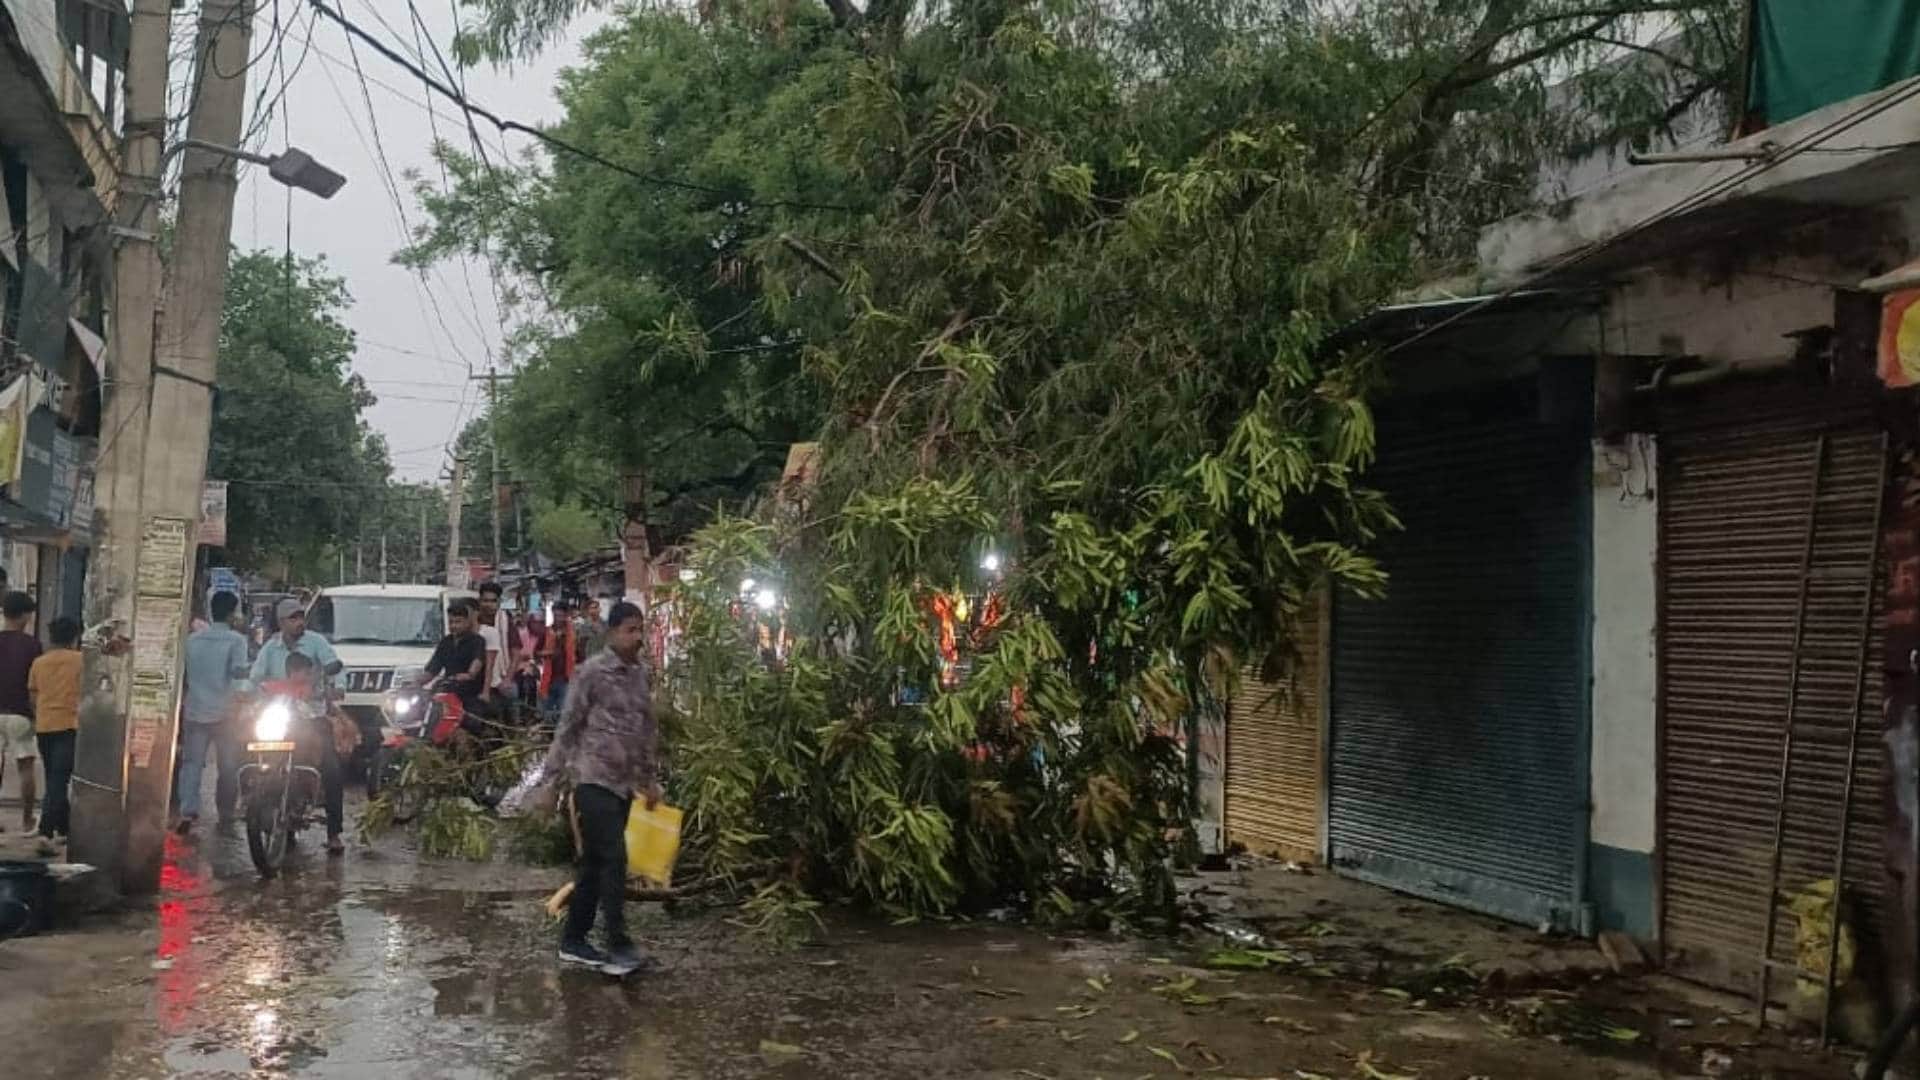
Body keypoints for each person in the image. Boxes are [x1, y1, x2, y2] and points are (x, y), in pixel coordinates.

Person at [542, 601, 659, 975]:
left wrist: (649, 779)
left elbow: (645, 730)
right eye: (630, 630)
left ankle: (574, 941)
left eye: (640, 630)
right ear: (612, 632)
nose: (636, 638)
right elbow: (569, 725)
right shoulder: (591, 673)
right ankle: (618, 945)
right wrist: (551, 780)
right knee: (613, 858)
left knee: (593, 864)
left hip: (623, 784)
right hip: (591, 778)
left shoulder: (640, 674)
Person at [251, 598, 347, 853]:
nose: (299, 622)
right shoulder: (270, 648)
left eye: (301, 617)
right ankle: (257, 805)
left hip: (312, 717)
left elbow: (336, 669)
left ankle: (335, 832)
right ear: (281, 622)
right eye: (293, 618)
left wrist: (336, 689)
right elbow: (255, 678)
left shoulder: (316, 642)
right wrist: (246, 696)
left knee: (331, 768)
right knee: (250, 752)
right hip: (279, 715)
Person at [177, 591, 251, 833]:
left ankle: (188, 811)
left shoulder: (192, 640)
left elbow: (184, 675)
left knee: (192, 763)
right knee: (228, 765)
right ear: (232, 613)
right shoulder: (236, 641)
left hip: (195, 709)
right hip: (225, 712)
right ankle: (226, 812)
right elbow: (240, 674)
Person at [28, 616, 81, 839]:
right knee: (59, 780)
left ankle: (64, 827)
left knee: (54, 778)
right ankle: (46, 831)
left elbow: (32, 693)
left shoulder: (39, 663)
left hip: (44, 726)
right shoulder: (81, 660)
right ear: (75, 637)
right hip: (68, 725)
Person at [0, 591, 40, 832]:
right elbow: (35, 682)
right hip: (20, 712)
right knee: (25, 767)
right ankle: (27, 822)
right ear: (25, 615)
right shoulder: (32, 645)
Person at [424, 599, 490, 726]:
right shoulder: (445, 642)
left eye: (458, 622)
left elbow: (477, 661)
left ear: (467, 622)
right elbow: (432, 669)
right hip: (447, 691)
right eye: (451, 622)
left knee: (472, 724)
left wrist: (469, 675)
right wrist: (415, 683)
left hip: (470, 693)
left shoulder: (477, 641)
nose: (454, 626)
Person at [475, 582, 514, 714]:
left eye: (493, 601)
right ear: (479, 601)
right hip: (475, 678)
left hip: (500, 678)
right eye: (485, 600)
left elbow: (517, 652)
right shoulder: (472, 622)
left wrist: (507, 679)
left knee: (511, 696)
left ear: (498, 602)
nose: (489, 604)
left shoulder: (505, 621)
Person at [540, 599, 579, 718]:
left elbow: (580, 654)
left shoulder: (574, 633)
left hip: (566, 679)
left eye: (561, 615)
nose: (558, 619)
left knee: (564, 715)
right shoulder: (546, 632)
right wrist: (546, 653)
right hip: (548, 678)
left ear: (566, 615)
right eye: (556, 615)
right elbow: (536, 652)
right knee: (547, 715)